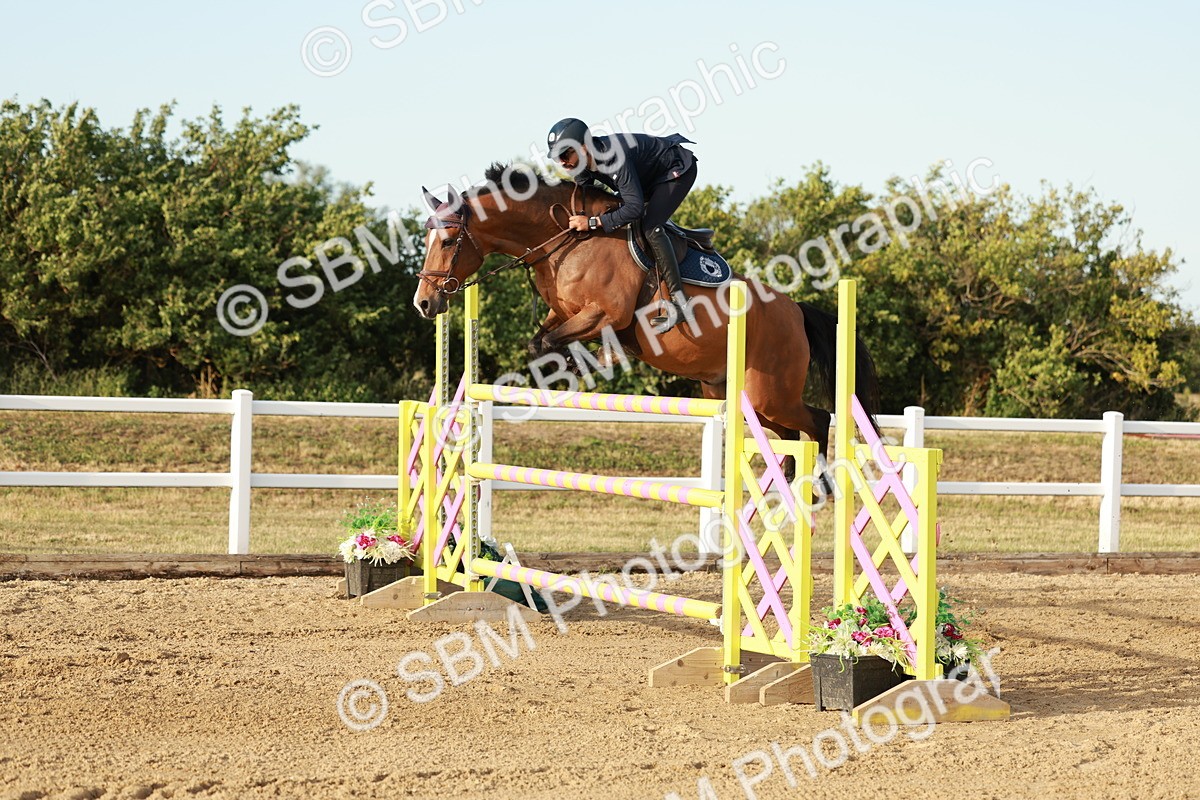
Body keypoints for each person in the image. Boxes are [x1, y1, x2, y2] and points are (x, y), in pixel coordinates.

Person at [546, 118, 697, 334]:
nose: (562, 162)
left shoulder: (613, 157)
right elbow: (585, 200)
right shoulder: (581, 166)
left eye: (564, 155)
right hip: (645, 177)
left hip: (675, 171)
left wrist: (591, 222)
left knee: (650, 226)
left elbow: (634, 208)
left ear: (583, 147)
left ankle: (681, 303)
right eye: (557, 158)